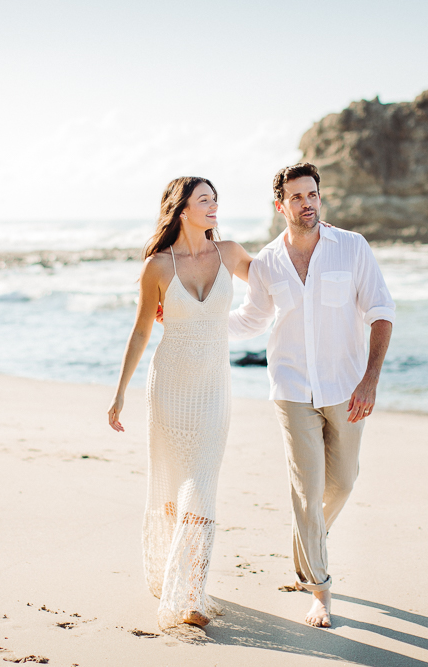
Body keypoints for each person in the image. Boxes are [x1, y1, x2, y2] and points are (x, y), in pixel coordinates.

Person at [228, 162, 395, 628]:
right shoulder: (266, 262)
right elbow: (251, 319)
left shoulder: (352, 248)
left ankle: (307, 540)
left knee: (342, 481)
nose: (308, 203)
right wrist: (198, 321)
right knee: (307, 489)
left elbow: (381, 310)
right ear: (281, 205)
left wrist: (370, 379)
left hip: (346, 387)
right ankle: (319, 590)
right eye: (297, 197)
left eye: (313, 194)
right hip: (292, 388)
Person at [108, 176, 251, 629]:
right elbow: (141, 331)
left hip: (214, 391)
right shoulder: (158, 266)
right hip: (169, 387)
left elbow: (277, 281)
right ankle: (187, 589)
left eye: (215, 200)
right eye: (204, 200)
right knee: (174, 485)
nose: (213, 207)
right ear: (182, 209)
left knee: (202, 483)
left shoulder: (229, 253)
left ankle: (187, 593)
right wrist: (120, 392)